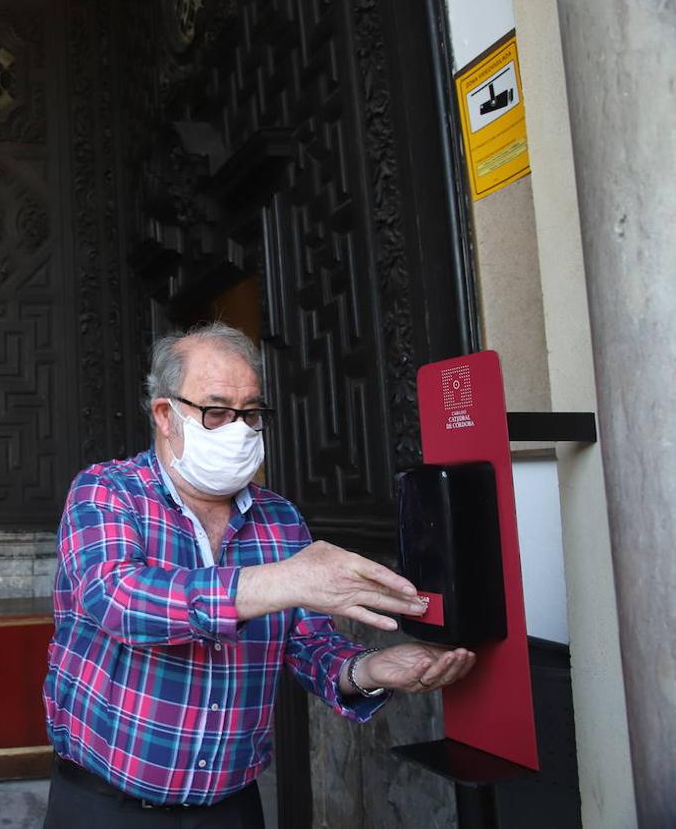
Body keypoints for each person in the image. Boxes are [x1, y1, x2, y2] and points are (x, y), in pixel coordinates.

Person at [43, 324, 476, 827]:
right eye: (218, 411)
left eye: (250, 413)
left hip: (231, 807)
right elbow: (118, 601)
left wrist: (371, 671)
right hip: (105, 807)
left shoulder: (280, 519)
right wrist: (279, 582)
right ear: (166, 415)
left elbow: (307, 644)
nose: (239, 429)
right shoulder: (107, 491)